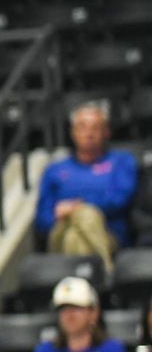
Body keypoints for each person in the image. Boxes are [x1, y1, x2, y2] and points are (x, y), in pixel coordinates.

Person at [35, 104, 139, 258]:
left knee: (80, 230)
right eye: (82, 127)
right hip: (61, 232)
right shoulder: (55, 170)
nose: (88, 133)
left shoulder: (121, 161)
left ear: (106, 132)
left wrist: (76, 207)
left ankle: (76, 280)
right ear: (73, 132)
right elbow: (42, 218)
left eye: (95, 128)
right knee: (73, 232)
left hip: (107, 233)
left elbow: (118, 200)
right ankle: (104, 276)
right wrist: (64, 216)